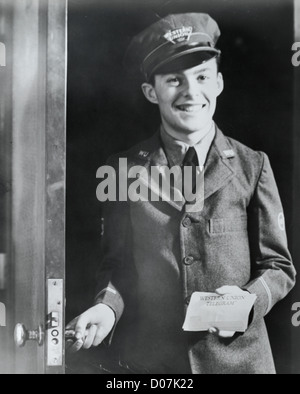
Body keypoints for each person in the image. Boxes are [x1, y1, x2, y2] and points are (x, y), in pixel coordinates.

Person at [67, 13, 296, 374]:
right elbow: (118, 266)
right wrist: (107, 308)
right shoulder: (124, 170)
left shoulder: (253, 165)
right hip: (157, 367)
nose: (191, 92)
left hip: (241, 365)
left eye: (202, 77)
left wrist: (248, 300)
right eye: (174, 80)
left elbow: (279, 267)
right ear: (150, 92)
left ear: (219, 83)